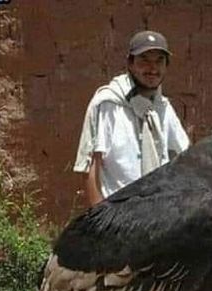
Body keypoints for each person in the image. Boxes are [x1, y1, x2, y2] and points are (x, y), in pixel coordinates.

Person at [74, 30, 190, 207]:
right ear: (130, 63)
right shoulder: (108, 103)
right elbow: (90, 166)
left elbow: (185, 155)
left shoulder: (162, 107)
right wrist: (99, 218)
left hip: (157, 213)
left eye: (159, 61)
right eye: (144, 60)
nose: (153, 68)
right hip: (119, 216)